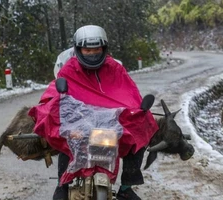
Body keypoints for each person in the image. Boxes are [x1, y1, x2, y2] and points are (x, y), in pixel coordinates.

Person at [29, 25, 158, 200]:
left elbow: (129, 93)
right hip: (79, 121)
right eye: (87, 49)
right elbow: (56, 94)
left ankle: (126, 187)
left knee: (141, 129)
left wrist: (138, 111)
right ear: (78, 49)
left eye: (96, 49)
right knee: (69, 138)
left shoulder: (115, 68)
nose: (92, 53)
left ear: (104, 48)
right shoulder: (69, 68)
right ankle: (62, 185)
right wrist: (58, 108)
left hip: (111, 121)